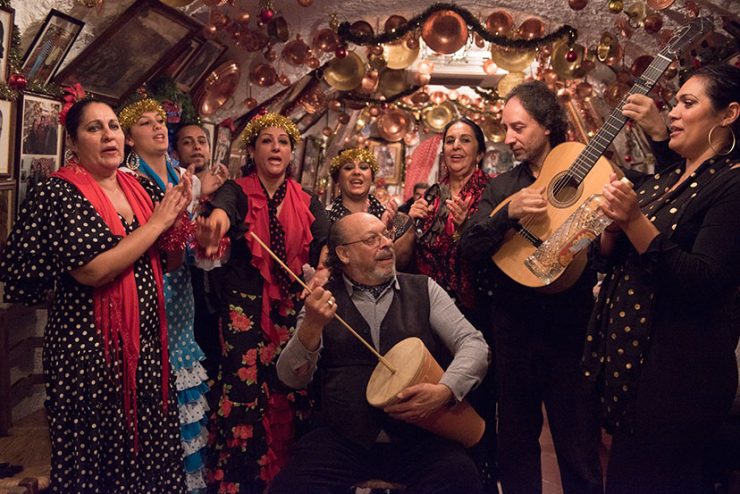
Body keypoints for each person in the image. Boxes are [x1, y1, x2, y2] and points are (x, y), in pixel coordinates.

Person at [0, 99, 192, 492]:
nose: (109, 135)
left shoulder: (135, 185)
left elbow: (165, 262)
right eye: (94, 128)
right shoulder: (60, 192)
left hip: (145, 349)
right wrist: (158, 223)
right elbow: (93, 270)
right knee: (95, 462)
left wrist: (182, 228)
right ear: (73, 141)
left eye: (113, 126)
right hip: (88, 355)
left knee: (148, 458)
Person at [583, 64, 740, 493]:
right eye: (675, 103)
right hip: (634, 379)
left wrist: (632, 219)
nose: (672, 113)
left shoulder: (732, 183)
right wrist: (614, 228)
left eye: (688, 103)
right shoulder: (668, 177)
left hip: (678, 383)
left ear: (728, 115)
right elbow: (613, 261)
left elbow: (702, 280)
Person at [271, 212, 490, 494]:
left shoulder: (424, 289)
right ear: (344, 253)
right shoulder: (322, 299)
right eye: (372, 239)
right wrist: (312, 326)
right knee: (292, 486)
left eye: (386, 234)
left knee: (461, 479)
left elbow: (475, 344)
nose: (386, 243)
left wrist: (446, 390)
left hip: (419, 441)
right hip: (343, 440)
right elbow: (290, 377)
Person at [460, 81, 603, 494]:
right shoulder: (502, 187)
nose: (509, 138)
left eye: (518, 128)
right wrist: (508, 213)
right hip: (514, 329)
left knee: (577, 441)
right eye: (506, 128)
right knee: (517, 443)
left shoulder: (589, 175)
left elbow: (609, 246)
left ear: (547, 126)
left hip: (571, 329)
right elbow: (470, 246)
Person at [195, 112, 330, 493]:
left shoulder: (307, 198)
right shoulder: (237, 190)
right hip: (243, 308)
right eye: (267, 141)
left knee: (289, 388)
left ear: (291, 153)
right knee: (244, 390)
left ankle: (289, 476)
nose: (275, 147)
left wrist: (321, 269)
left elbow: (325, 243)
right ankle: (242, 480)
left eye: (283, 142)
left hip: (289, 308)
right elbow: (221, 211)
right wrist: (216, 226)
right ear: (252, 150)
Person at [120, 99, 213, 493]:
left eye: (160, 121)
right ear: (128, 138)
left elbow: (189, 247)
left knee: (184, 395)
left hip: (181, 294)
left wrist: (206, 244)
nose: (158, 127)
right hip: (145, 291)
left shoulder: (180, 175)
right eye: (144, 123)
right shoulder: (127, 179)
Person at [409, 117, 491, 313]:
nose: (456, 146)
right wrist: (410, 224)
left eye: (465, 140)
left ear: (479, 154)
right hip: (430, 303)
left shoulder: (492, 192)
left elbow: (496, 249)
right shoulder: (432, 195)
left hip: (477, 306)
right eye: (450, 140)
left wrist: (466, 226)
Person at [173, 122, 228, 381]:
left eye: (201, 141)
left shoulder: (225, 191)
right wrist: (196, 190)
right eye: (187, 142)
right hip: (179, 294)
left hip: (215, 297)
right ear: (175, 150)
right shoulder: (172, 184)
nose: (196, 146)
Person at [327, 147, 415, 270]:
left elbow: (398, 269)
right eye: (348, 167)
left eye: (363, 167)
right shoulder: (324, 219)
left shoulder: (399, 221)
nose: (357, 172)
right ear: (337, 178)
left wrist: (387, 231)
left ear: (372, 177)